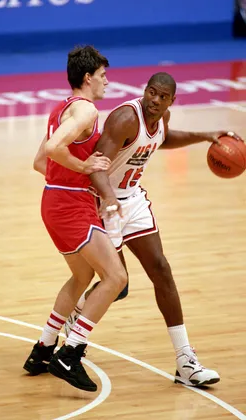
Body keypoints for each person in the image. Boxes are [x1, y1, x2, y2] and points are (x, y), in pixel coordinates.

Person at [65, 71, 243, 388]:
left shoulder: (163, 118)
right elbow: (97, 164)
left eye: (163, 97)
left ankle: (185, 361)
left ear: (171, 101)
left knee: (161, 269)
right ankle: (77, 314)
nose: (155, 100)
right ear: (145, 91)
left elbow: (163, 138)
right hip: (104, 200)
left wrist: (205, 135)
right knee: (118, 285)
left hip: (131, 200)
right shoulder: (124, 118)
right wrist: (108, 198)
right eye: (152, 93)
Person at [23, 45, 127, 392]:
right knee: (115, 278)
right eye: (102, 76)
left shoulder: (61, 109)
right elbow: (53, 150)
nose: (107, 82)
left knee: (82, 276)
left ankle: (43, 348)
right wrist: (84, 168)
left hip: (54, 200)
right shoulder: (85, 112)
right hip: (70, 205)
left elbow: (41, 163)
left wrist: (71, 180)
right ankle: (71, 353)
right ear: (87, 78)